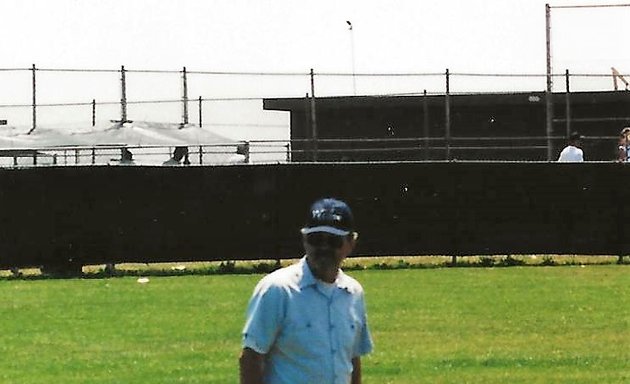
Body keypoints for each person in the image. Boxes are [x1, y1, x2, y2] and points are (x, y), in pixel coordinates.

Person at [239, 198, 373, 384]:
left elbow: (352, 360)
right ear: (304, 240)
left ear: (351, 242)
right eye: (316, 239)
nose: (323, 248)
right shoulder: (278, 290)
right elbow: (251, 357)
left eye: (333, 241)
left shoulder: (353, 293)